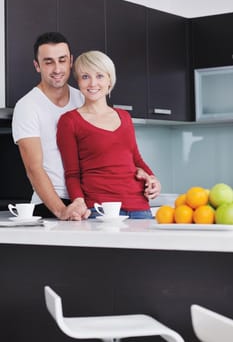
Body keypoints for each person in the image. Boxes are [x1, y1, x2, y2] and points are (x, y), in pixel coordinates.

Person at [12, 32, 160, 220]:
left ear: (71, 61)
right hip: (53, 201)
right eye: (48, 62)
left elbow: (117, 151)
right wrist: (61, 210)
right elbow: (34, 168)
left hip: (89, 200)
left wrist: (145, 174)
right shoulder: (28, 106)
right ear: (37, 66)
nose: (57, 68)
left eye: (62, 60)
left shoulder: (85, 96)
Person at [57, 50, 161, 219]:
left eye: (99, 76)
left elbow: (136, 159)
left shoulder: (124, 117)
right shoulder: (69, 121)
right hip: (100, 209)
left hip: (140, 207)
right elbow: (72, 173)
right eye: (85, 77)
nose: (92, 83)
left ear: (109, 80)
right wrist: (78, 201)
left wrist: (153, 179)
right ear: (78, 81)